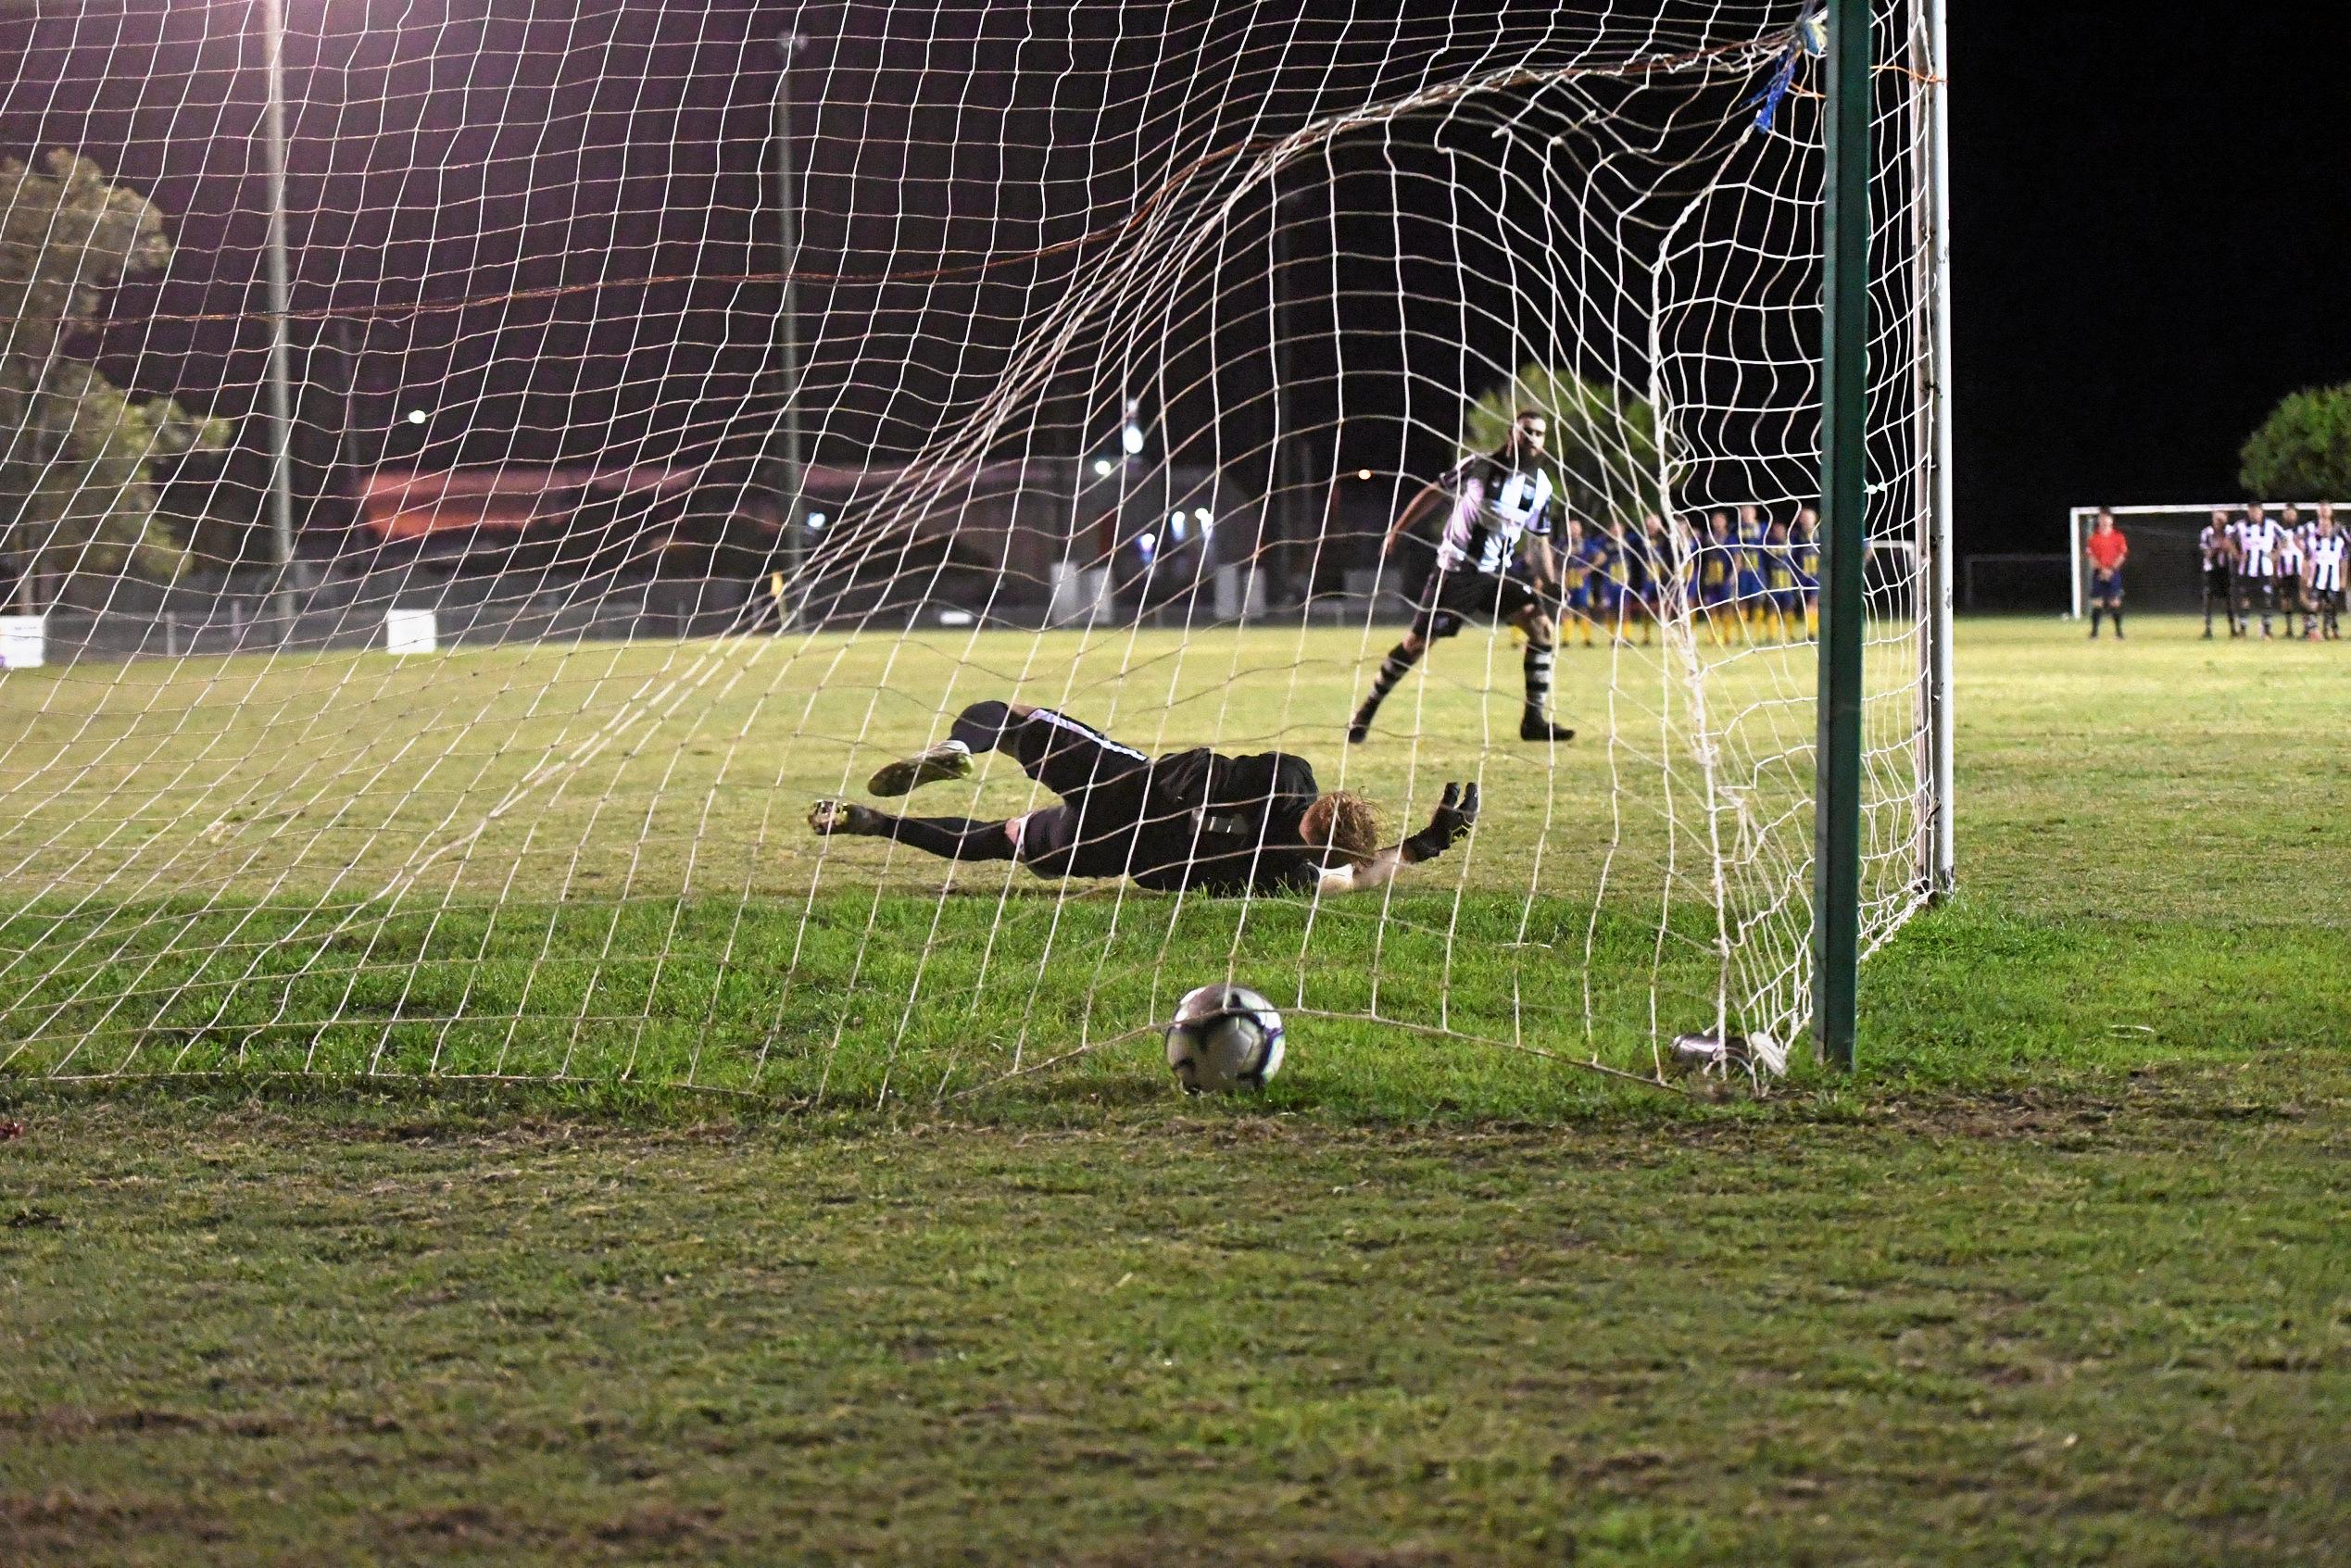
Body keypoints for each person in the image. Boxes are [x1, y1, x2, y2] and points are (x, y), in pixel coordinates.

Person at [809, 699, 1479, 897]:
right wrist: (1426, 844)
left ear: (1327, 798)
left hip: (1130, 786)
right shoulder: (1291, 873)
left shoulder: (1292, 774)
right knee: (1003, 840)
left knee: (1011, 716)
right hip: (1122, 851)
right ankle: (875, 823)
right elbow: (1358, 878)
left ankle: (961, 749)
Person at [1352, 409, 1574, 744]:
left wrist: (1553, 582)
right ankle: (1366, 711)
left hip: (1496, 575)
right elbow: (1435, 491)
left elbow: (1538, 540)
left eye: (1540, 434)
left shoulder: (1541, 486)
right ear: (1512, 433)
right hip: (1455, 572)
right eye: (1527, 431)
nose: (1533, 440)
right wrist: (1397, 531)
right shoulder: (1479, 465)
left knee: (1541, 626)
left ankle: (1533, 721)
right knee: (1416, 644)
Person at [2235, 502, 2280, 638]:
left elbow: (2284, 539)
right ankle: (2242, 630)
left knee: (2266, 599)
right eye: (2251, 511)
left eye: (2256, 511)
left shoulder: (2271, 525)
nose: (2254, 513)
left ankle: (2267, 630)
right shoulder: (2240, 525)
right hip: (2246, 570)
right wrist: (2237, 555)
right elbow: (2229, 539)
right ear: (2248, 512)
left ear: (2261, 512)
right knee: (2245, 598)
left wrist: (2275, 554)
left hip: (2265, 569)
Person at [2082, 508, 2128, 638]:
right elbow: (2091, 557)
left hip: (2114, 573)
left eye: (2106, 518)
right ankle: (2094, 633)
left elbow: (2122, 555)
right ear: (2099, 520)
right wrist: (2102, 569)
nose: (2104, 520)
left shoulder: (2118, 537)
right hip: (2099, 573)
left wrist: (2111, 570)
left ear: (2111, 520)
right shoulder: (2093, 538)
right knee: (2097, 602)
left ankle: (2119, 633)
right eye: (2101, 518)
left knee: (2115, 601)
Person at [2307, 504, 2346, 641]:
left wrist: (2343, 578)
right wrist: (2308, 576)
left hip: (2333, 578)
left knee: (2330, 605)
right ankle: (2312, 630)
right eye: (2321, 525)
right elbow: (2308, 559)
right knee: (2313, 603)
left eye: (2326, 525)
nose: (2324, 527)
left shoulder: (2339, 541)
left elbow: (2343, 561)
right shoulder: (2313, 540)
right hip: (2317, 578)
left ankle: (2327, 630)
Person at [2198, 508, 2239, 638]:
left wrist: (2228, 546)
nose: (2219, 522)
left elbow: (2234, 546)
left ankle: (2233, 629)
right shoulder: (2206, 533)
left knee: (2228, 599)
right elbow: (2207, 553)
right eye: (2217, 519)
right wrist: (2218, 547)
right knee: (2208, 598)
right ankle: (2208, 629)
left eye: (2221, 519)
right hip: (2211, 570)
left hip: (2226, 569)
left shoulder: (2230, 531)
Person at [1732, 504, 1770, 639]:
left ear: (1755, 513)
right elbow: (1734, 550)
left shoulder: (1762, 528)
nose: (1747, 514)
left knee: (1758, 602)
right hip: (1743, 571)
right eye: (1745, 512)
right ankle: (1742, 636)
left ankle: (1757, 635)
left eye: (1750, 511)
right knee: (1741, 601)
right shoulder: (1736, 529)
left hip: (1758, 571)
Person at [1762, 515, 1801, 641]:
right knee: (1772, 607)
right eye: (1776, 530)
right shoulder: (1768, 544)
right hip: (1774, 582)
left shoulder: (1792, 542)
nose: (1779, 532)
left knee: (1789, 607)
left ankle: (1790, 635)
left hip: (1788, 582)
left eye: (1781, 529)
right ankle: (1771, 636)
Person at [1792, 507, 1821, 640]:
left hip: (1817, 574)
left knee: (1814, 602)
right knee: (1805, 604)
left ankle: (1811, 633)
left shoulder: (1821, 535)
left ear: (1815, 519)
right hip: (1801, 575)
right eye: (1804, 517)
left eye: (1809, 517)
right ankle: (1810, 632)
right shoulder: (1795, 537)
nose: (1807, 520)